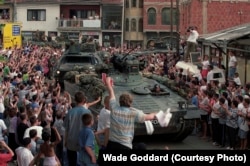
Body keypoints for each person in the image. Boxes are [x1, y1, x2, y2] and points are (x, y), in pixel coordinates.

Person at [105, 77, 162, 150]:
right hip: (125, 146)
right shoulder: (134, 113)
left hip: (112, 145)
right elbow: (150, 116)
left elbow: (111, 93)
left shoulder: (113, 108)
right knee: (142, 146)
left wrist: (108, 83)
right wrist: (159, 113)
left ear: (120, 101)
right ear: (130, 103)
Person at [63, 91, 91, 166]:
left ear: (75, 100)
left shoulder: (70, 112)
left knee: (71, 162)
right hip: (83, 142)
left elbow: (66, 129)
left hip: (71, 141)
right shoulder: (88, 112)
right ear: (83, 100)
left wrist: (65, 141)